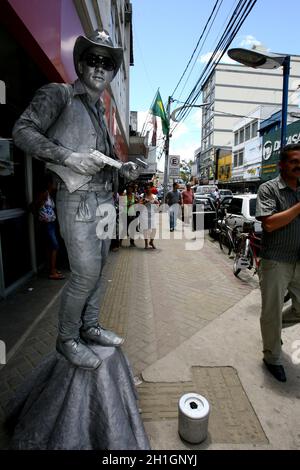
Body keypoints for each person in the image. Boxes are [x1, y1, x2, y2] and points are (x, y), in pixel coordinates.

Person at [12, 29, 139, 370]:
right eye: (93, 60)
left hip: (103, 200)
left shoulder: (101, 112)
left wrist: (123, 170)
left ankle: (91, 325)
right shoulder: (60, 94)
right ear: (81, 64)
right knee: (84, 273)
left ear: (112, 71)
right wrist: (67, 157)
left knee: (99, 271)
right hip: (77, 199)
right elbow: (22, 131)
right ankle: (67, 338)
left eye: (107, 62)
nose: (100, 67)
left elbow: (105, 160)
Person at [256, 143, 300, 382]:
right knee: (271, 312)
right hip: (275, 261)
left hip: (299, 261)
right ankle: (272, 357)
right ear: (282, 164)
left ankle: (274, 330)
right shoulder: (269, 188)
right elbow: (269, 223)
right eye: (293, 161)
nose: (298, 166)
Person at [35, 174, 65, 280]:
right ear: (48, 184)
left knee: (51, 247)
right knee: (54, 246)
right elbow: (33, 206)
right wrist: (39, 204)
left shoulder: (49, 194)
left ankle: (52, 268)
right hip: (47, 224)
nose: (55, 185)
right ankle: (52, 271)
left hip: (51, 224)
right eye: (53, 183)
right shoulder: (43, 194)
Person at [139, 183, 159, 249]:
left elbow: (157, 205)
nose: (147, 189)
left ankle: (151, 241)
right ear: (144, 189)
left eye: (149, 188)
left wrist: (156, 203)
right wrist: (144, 202)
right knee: (145, 229)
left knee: (154, 229)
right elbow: (139, 204)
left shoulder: (154, 196)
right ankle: (146, 244)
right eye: (146, 188)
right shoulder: (142, 196)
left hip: (152, 214)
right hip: (144, 214)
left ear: (151, 188)